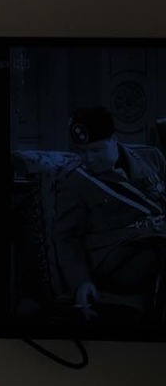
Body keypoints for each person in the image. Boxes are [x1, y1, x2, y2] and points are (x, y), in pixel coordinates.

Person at [53, 106, 166, 324]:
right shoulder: (74, 181)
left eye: (96, 150)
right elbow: (67, 238)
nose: (88, 159)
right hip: (115, 261)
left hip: (155, 242)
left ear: (114, 140)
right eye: (81, 151)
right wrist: (81, 282)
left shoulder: (151, 157)